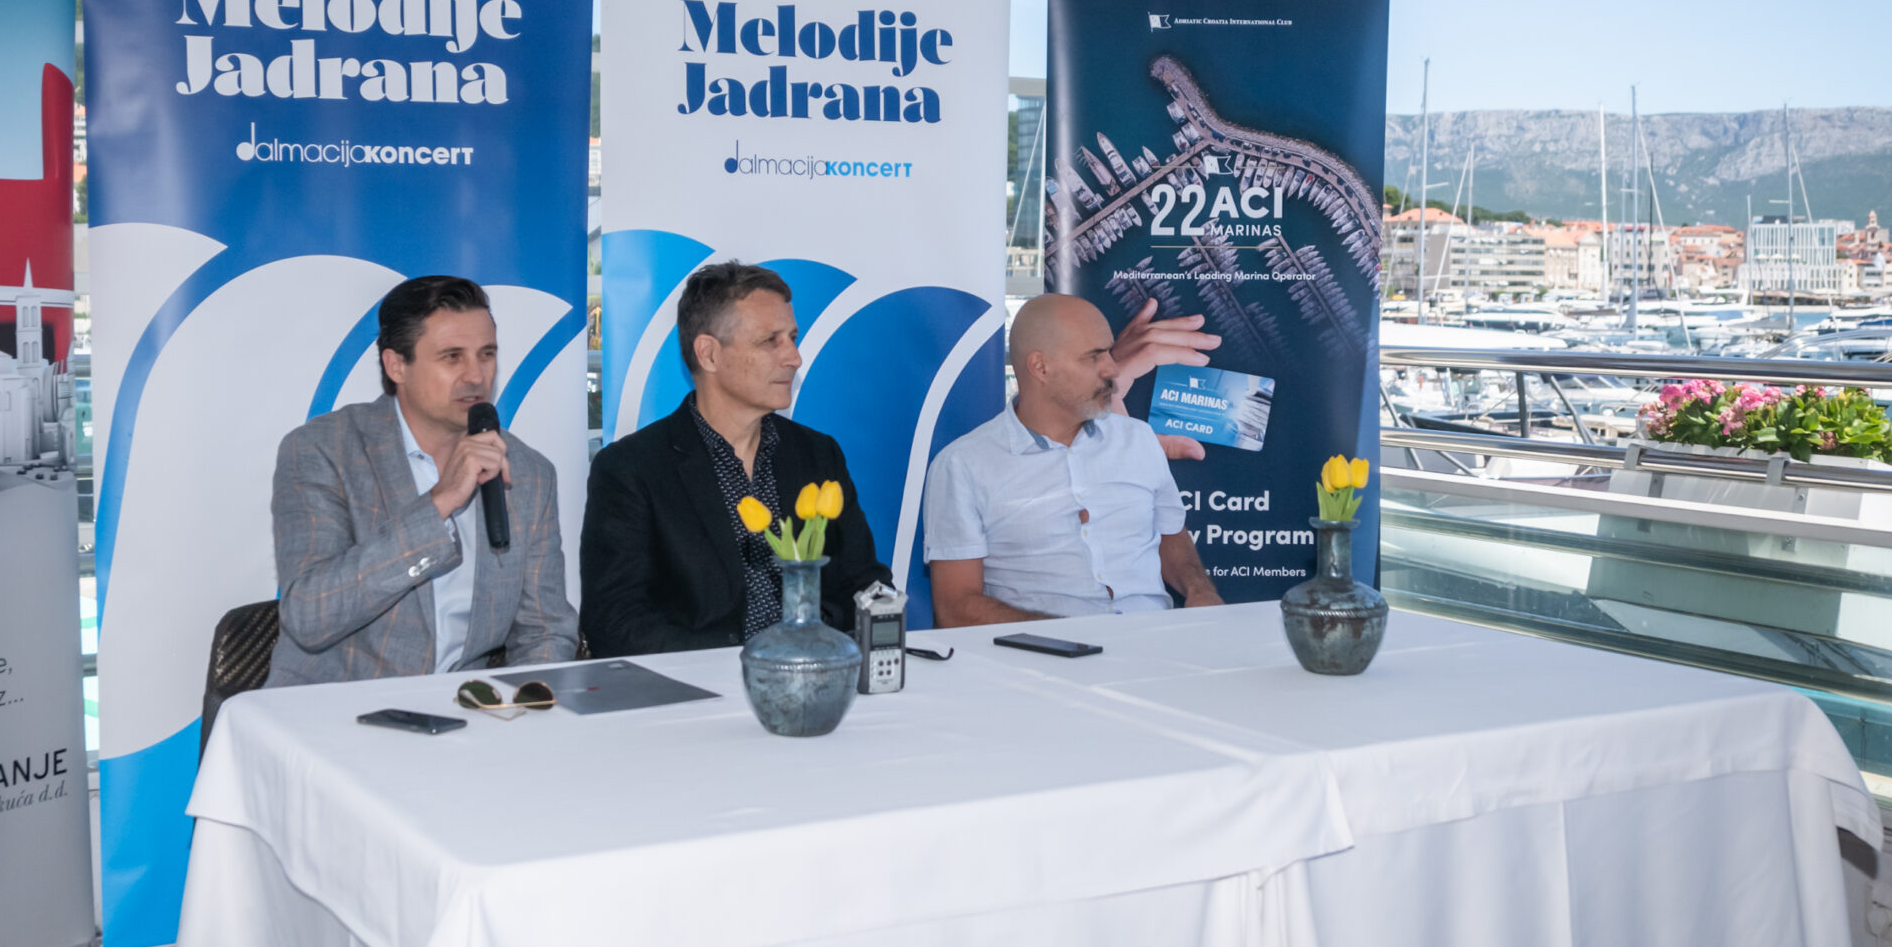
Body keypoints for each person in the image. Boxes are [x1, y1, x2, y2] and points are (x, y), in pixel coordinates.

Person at [265, 275, 577, 686]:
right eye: (452, 357)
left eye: (486, 354)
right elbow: (311, 615)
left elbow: (544, 631)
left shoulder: (529, 472)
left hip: (463, 711)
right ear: (396, 365)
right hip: (334, 710)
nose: (476, 376)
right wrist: (439, 502)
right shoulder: (323, 450)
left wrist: (520, 709)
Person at [580, 261, 889, 655]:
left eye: (792, 338)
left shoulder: (817, 453)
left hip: (816, 672)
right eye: (770, 341)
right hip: (697, 684)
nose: (794, 357)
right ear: (708, 354)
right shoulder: (632, 469)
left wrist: (816, 643)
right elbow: (614, 621)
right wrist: (747, 659)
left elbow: (865, 584)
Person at [923, 292, 1223, 625]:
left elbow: (1169, 534)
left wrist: (1200, 590)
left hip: (1156, 640)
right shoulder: (963, 467)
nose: (1112, 368)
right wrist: (1067, 637)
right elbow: (955, 606)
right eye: (1094, 357)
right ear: (1040, 367)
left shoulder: (1138, 439)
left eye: (1109, 352)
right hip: (1037, 652)